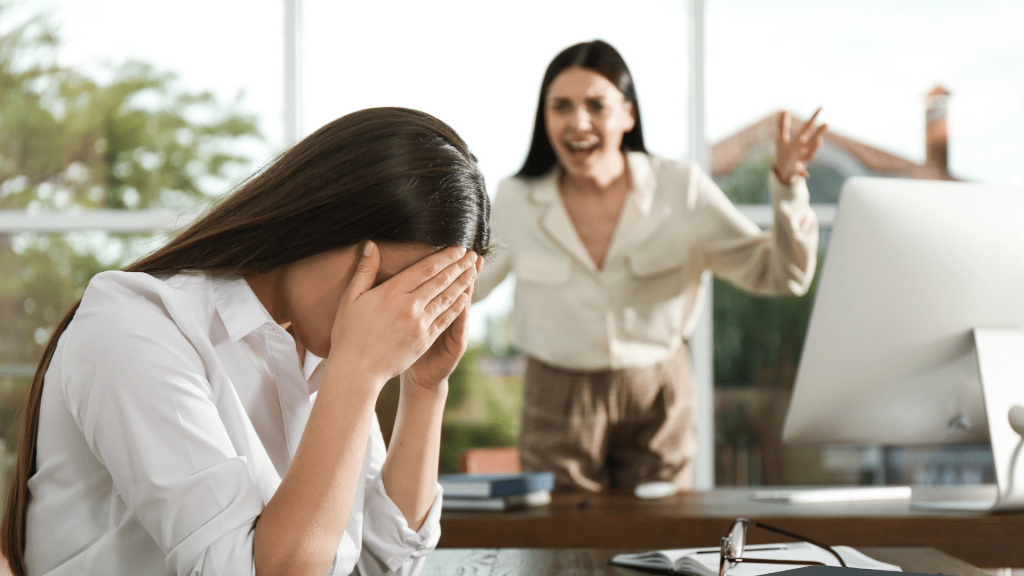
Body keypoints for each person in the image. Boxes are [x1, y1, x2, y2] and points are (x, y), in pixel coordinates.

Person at [0, 108, 489, 576]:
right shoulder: (136, 325)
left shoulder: (325, 357)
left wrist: (426, 389)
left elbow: (380, 565)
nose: (395, 319)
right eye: (388, 287)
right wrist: (358, 374)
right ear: (322, 221)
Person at [473, 40, 824, 492]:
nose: (578, 121)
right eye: (561, 106)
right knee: (560, 544)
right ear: (546, 118)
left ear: (628, 115)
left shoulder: (681, 188)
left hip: (660, 392)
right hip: (555, 395)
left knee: (660, 542)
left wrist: (788, 187)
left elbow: (782, 273)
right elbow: (469, 285)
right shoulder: (516, 197)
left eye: (596, 105)